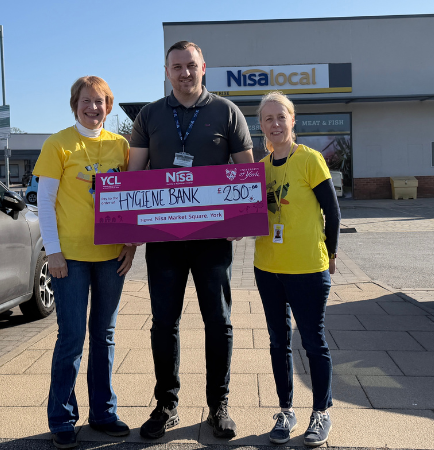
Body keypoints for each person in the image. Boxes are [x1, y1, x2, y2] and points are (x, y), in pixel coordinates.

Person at [127, 40, 254, 440]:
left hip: (212, 239)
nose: (184, 73)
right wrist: (128, 235)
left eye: (191, 66)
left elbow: (245, 173)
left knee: (218, 321)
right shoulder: (149, 116)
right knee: (164, 323)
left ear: (204, 68)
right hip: (163, 240)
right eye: (177, 66)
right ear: (167, 72)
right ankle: (166, 404)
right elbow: (134, 177)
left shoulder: (226, 112)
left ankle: (219, 404)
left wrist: (244, 216)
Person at [33, 76, 136, 449]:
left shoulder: (121, 146)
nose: (94, 108)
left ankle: (103, 412)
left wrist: (132, 243)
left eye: (101, 101)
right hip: (70, 259)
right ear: (75, 103)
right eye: (87, 101)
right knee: (72, 336)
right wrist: (53, 251)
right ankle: (61, 417)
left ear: (109, 106)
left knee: (104, 335)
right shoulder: (58, 144)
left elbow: (135, 197)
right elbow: (45, 202)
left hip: (112, 257)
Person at [253, 91, 340, 447]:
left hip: (306, 268)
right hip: (267, 268)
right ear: (260, 126)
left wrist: (331, 253)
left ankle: (321, 412)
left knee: (312, 341)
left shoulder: (310, 159)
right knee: (278, 342)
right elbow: (245, 215)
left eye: (281, 117)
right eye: (268, 119)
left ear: (292, 121)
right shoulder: (258, 169)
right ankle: (285, 410)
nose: (275, 124)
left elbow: (332, 212)